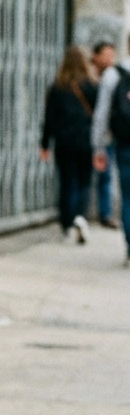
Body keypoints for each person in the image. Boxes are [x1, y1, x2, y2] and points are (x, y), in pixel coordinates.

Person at [41, 46, 97, 242]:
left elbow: (49, 118)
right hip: (85, 141)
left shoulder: (58, 87)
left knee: (67, 182)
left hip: (64, 142)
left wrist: (45, 144)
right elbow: (98, 117)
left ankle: (66, 225)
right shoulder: (91, 85)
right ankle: (80, 216)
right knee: (84, 182)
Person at [92, 35, 130, 263]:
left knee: (128, 197)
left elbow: (101, 114)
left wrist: (98, 147)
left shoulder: (113, 75)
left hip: (125, 144)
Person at [89, 40, 119, 227]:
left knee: (106, 175)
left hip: (107, 134)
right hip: (94, 133)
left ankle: (105, 213)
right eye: (106, 54)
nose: (109, 59)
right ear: (96, 56)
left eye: (112, 54)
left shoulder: (112, 75)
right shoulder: (94, 76)